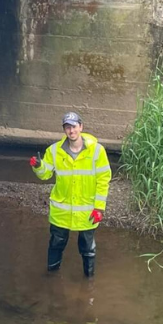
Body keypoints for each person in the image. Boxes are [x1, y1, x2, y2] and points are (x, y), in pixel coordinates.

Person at [30, 111, 112, 278]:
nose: (71, 131)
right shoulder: (54, 151)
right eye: (67, 127)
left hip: (87, 211)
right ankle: (51, 278)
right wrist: (38, 166)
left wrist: (99, 208)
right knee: (56, 244)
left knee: (88, 249)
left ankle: (88, 281)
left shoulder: (97, 151)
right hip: (62, 211)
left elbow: (103, 180)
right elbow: (45, 174)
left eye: (74, 126)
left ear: (81, 127)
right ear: (64, 130)